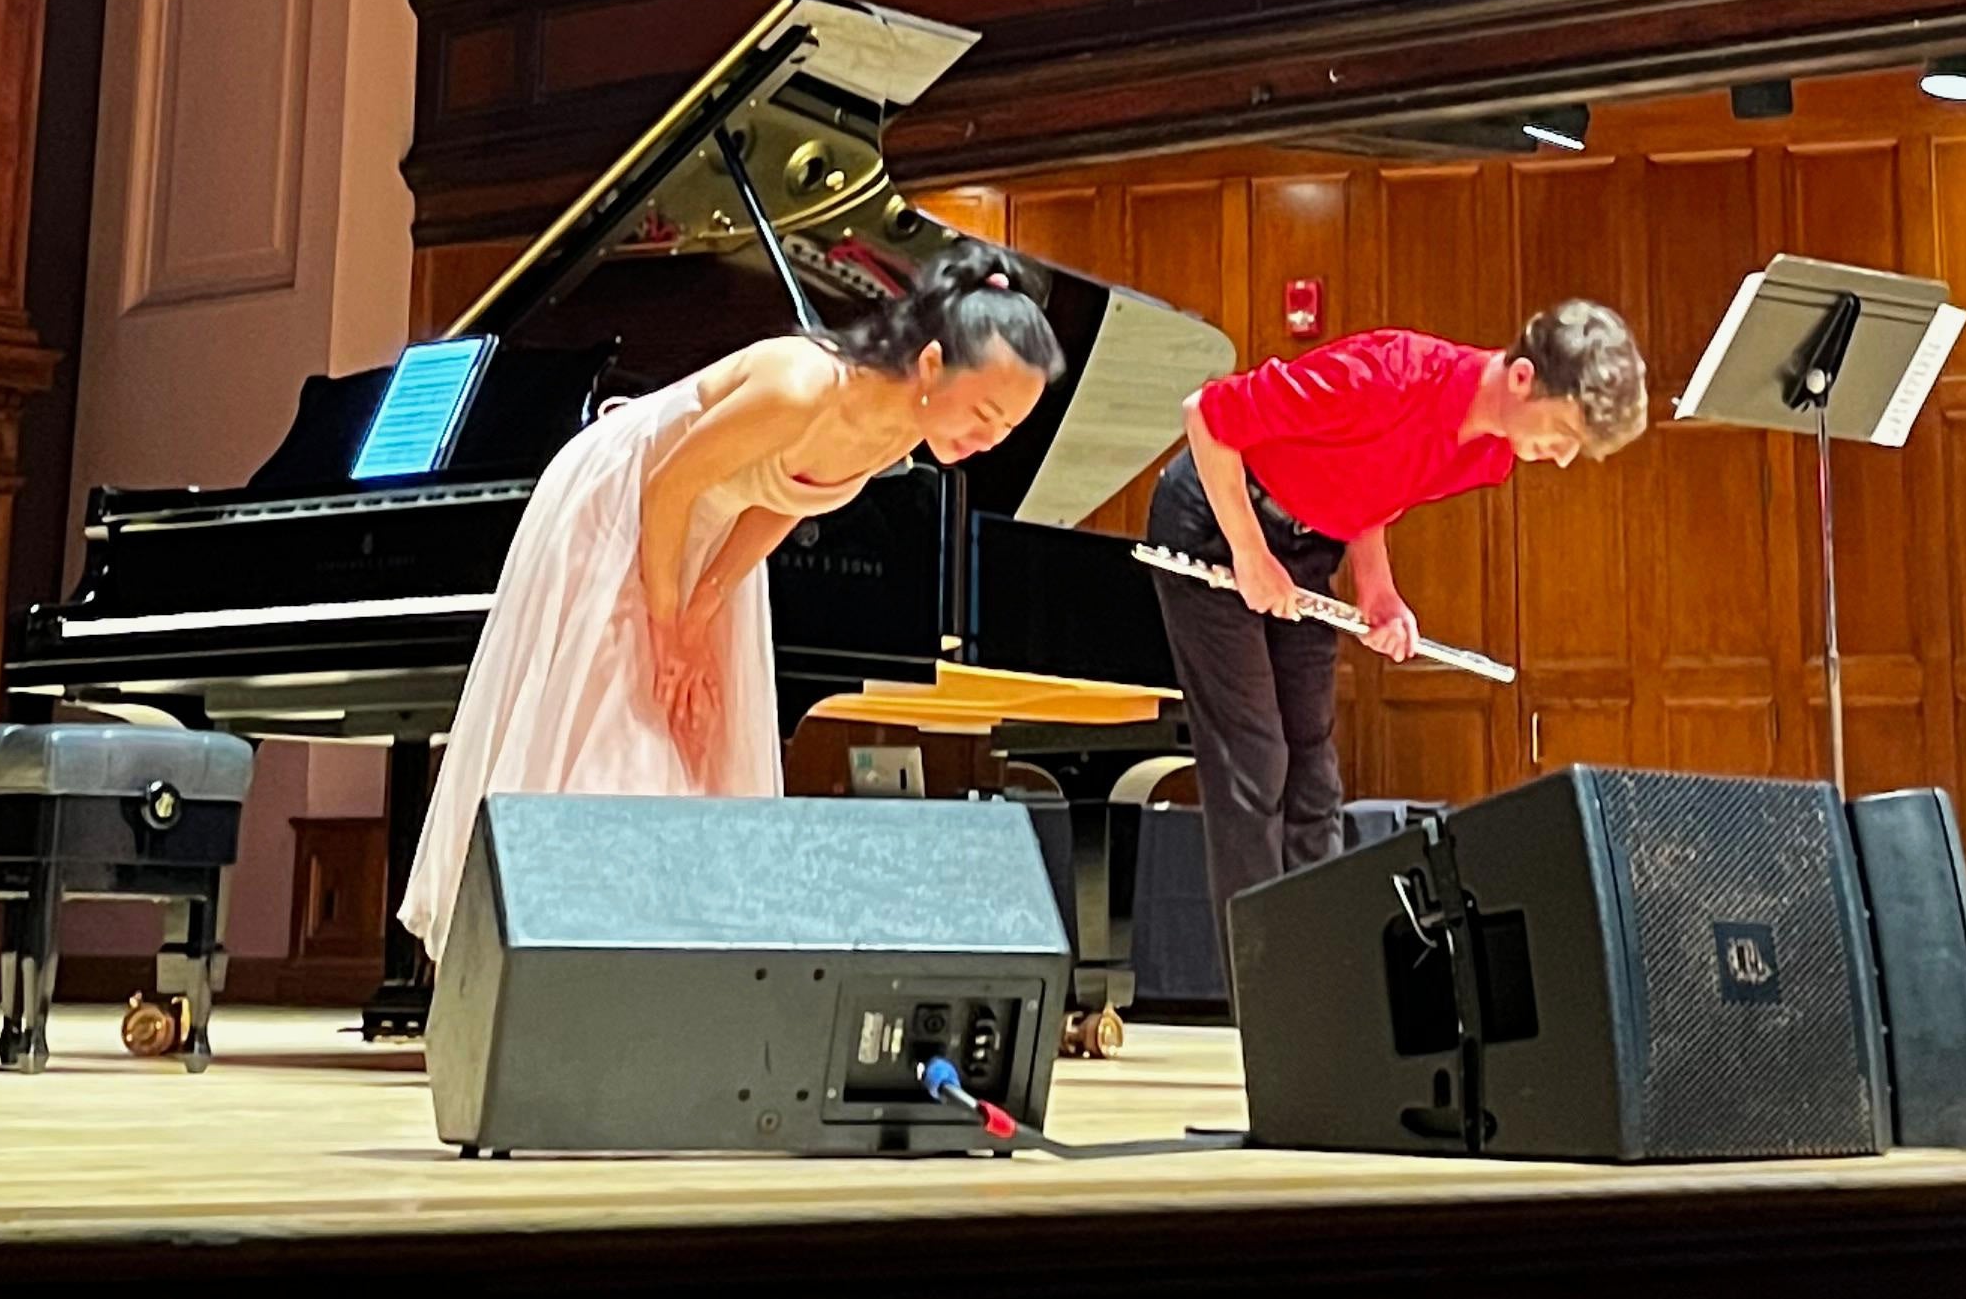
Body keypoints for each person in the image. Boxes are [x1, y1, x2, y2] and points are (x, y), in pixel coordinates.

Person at [398, 241, 1065, 962]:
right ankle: (550, 955)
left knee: (694, 731)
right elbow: (668, 486)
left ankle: (653, 967)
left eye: (1009, 429)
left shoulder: (905, 429)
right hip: (626, 505)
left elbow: (783, 501)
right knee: (620, 721)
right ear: (932, 365)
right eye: (987, 414)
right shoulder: (803, 387)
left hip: (711, 531)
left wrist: (705, 605)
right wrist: (668, 625)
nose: (990, 441)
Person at [1149, 303, 1650, 962]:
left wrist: (1378, 589)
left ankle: (1320, 983)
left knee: (1315, 774)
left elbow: (1372, 486)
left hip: (1304, 545)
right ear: (1523, 378)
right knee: (1255, 761)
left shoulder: (1490, 453)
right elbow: (1206, 416)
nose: (1558, 459)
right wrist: (1248, 553)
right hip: (1218, 520)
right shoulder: (1385, 377)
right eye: (1561, 433)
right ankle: (1267, 1001)